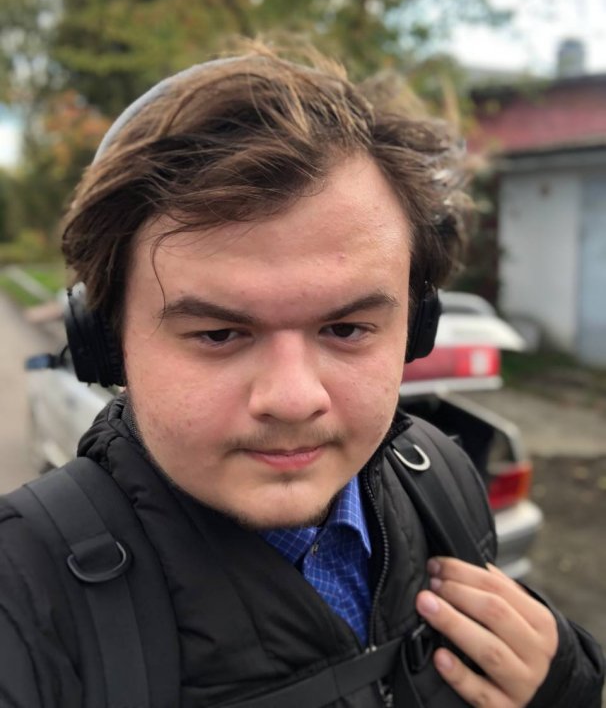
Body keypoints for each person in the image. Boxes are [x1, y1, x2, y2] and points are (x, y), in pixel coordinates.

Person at [0, 44, 603, 708]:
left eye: (346, 329)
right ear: (106, 344)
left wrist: (566, 683)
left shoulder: (444, 477)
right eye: (219, 334)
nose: (292, 400)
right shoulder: (22, 600)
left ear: (415, 328)